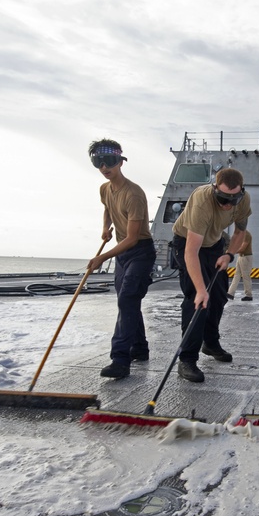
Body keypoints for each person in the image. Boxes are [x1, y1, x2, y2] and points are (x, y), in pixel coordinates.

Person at [170, 168, 251, 382]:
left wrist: (229, 255)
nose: (228, 205)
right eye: (223, 198)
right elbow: (191, 251)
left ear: (241, 192)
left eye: (233, 200)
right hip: (187, 244)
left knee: (218, 296)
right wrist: (199, 289)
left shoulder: (242, 200)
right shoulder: (202, 201)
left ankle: (211, 343)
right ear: (215, 189)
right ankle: (186, 359)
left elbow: (240, 232)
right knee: (197, 301)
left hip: (215, 244)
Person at [85, 139, 156, 379]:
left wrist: (101, 258)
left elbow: (133, 238)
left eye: (110, 161)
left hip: (140, 251)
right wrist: (106, 228)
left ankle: (120, 360)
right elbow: (107, 207)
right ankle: (140, 349)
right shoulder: (104, 189)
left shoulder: (134, 194)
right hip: (122, 253)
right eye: (98, 162)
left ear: (120, 161)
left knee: (127, 299)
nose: (105, 167)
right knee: (128, 302)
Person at [226, 229, 254, 301]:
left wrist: (231, 252)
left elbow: (243, 248)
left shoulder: (246, 234)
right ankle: (230, 293)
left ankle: (249, 295)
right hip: (241, 256)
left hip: (246, 257)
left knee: (245, 276)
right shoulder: (241, 234)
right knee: (237, 275)